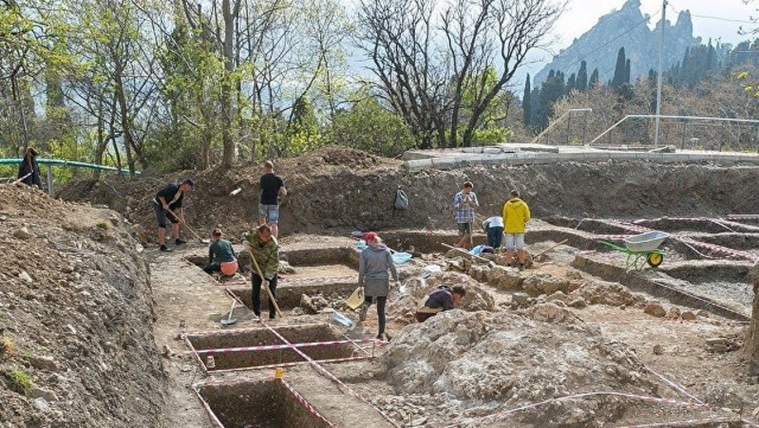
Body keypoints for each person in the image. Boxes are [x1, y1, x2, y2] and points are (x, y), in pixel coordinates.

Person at [358, 232, 398, 341]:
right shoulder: (386, 251)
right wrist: (396, 279)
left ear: (369, 241)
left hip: (370, 280)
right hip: (383, 281)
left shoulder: (365, 252)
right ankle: (380, 334)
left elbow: (362, 270)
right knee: (381, 309)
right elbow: (392, 266)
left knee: (368, 299)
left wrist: (360, 285)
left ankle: (366, 305)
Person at [244, 224, 280, 320]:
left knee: (271, 293)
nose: (268, 238)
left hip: (270, 271)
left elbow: (273, 263)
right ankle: (257, 314)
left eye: (269, 236)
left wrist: (267, 278)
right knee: (255, 293)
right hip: (256, 269)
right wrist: (244, 242)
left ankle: (272, 316)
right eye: (266, 236)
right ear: (259, 234)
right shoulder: (253, 234)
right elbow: (244, 235)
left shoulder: (273, 244)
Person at [153, 178, 194, 252]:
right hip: (159, 204)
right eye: (189, 187)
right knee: (162, 223)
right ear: (186, 185)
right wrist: (164, 204)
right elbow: (160, 194)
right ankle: (162, 246)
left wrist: (182, 218)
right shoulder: (173, 187)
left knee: (175, 220)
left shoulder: (181, 193)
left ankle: (177, 240)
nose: (189, 189)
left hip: (167, 205)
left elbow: (179, 206)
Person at [502, 189, 531, 271]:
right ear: (518, 196)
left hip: (509, 228)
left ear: (511, 196)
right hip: (519, 228)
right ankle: (522, 265)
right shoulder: (523, 204)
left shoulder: (507, 204)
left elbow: (504, 217)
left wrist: (505, 226)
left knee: (509, 248)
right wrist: (523, 221)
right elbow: (528, 217)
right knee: (520, 248)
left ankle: (508, 265)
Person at [258, 160, 287, 238]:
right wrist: (281, 199)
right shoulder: (278, 178)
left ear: (265, 168)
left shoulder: (263, 178)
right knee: (273, 223)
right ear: (272, 167)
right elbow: (284, 192)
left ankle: (263, 238)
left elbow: (260, 190)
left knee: (262, 221)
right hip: (274, 203)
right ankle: (274, 241)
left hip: (263, 202)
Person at [453, 181, 479, 248]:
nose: (469, 191)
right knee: (461, 233)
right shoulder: (458, 195)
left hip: (470, 216)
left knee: (469, 233)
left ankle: (459, 245)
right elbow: (456, 206)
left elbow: (476, 205)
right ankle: (462, 247)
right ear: (465, 188)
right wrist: (463, 201)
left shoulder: (472, 195)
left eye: (470, 190)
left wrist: (470, 202)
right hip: (461, 217)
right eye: (468, 189)